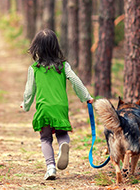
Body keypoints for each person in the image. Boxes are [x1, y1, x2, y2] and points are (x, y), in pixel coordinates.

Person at [20, 29, 94, 180]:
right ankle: (63, 146)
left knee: (45, 138)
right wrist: (86, 97)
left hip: (44, 108)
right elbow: (76, 81)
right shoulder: (63, 66)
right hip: (60, 107)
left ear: (36, 48)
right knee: (62, 134)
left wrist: (25, 105)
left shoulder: (34, 69)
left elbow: (29, 91)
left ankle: (51, 167)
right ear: (56, 47)